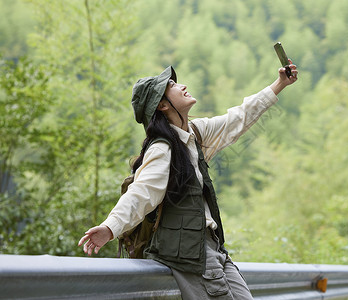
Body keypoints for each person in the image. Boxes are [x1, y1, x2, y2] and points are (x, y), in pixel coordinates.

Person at [78, 60, 298, 299]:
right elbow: (141, 194)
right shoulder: (163, 150)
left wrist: (279, 84)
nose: (181, 86)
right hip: (191, 255)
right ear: (162, 104)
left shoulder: (196, 134)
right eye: (172, 85)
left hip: (212, 249)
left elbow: (239, 117)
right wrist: (110, 228)